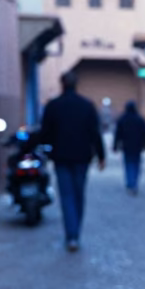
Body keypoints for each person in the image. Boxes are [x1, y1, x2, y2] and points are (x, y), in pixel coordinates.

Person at [37, 71, 105, 251]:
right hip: (82, 158)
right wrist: (101, 156)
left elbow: (45, 133)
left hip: (61, 157)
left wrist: (42, 147)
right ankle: (75, 233)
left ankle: (71, 235)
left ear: (62, 84)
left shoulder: (53, 106)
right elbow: (94, 133)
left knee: (67, 196)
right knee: (78, 195)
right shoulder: (87, 106)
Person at [112, 100, 145, 195]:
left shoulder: (122, 119)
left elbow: (118, 134)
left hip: (126, 146)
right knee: (136, 165)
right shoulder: (140, 120)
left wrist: (115, 146)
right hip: (137, 146)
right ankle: (134, 184)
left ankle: (130, 183)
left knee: (128, 165)